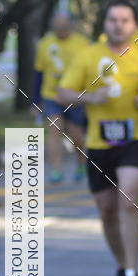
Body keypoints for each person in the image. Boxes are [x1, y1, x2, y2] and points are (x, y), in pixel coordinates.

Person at [57, 0, 138, 276]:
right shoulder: (88, 55)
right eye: (113, 19)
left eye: (125, 20)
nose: (118, 25)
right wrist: (90, 98)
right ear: (104, 23)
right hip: (99, 142)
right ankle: (122, 266)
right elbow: (62, 91)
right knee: (107, 210)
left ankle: (132, 273)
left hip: (136, 140)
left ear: (134, 24)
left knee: (128, 200)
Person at [33, 14, 89, 182]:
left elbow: (89, 72)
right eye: (58, 28)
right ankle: (57, 170)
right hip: (52, 95)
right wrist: (35, 101)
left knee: (76, 136)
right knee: (54, 130)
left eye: (64, 28)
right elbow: (38, 73)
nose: (61, 32)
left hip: (75, 96)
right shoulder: (45, 44)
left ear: (70, 27)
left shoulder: (82, 44)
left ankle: (80, 164)